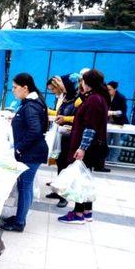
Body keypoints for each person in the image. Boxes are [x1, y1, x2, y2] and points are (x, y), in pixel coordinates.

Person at [58, 69, 109, 225]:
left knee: (79, 180)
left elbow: (90, 127)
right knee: (85, 178)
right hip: (90, 146)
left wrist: (82, 148)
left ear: (88, 82)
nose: (81, 83)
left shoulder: (94, 100)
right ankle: (87, 212)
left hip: (86, 147)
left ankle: (78, 213)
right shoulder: (97, 97)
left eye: (83, 81)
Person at [0, 73, 48, 232]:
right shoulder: (31, 102)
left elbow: (35, 130)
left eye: (15, 87)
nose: (13, 90)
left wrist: (20, 148)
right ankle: (21, 216)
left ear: (25, 88)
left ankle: (19, 222)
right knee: (26, 186)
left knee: (25, 187)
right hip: (33, 152)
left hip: (31, 154)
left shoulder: (31, 105)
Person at [44, 75, 81, 208]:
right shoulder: (66, 98)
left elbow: (79, 117)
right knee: (60, 163)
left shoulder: (78, 99)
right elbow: (59, 113)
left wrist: (65, 118)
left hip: (71, 137)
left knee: (66, 165)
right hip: (62, 135)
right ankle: (58, 190)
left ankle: (64, 196)